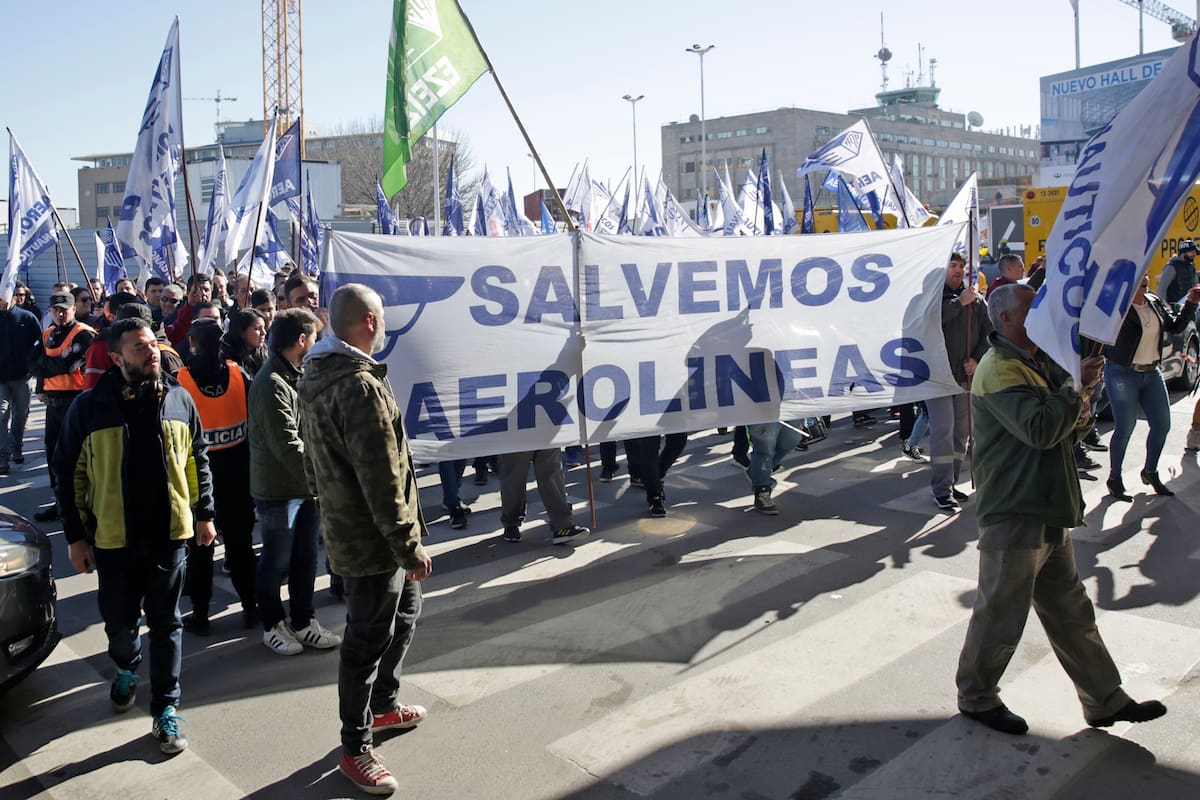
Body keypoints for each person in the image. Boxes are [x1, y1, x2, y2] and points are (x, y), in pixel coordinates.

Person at [955, 283, 1167, 736]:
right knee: (999, 614)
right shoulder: (998, 368)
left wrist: (1081, 394)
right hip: (1016, 507)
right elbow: (1042, 429)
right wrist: (1077, 391)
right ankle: (976, 696)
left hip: (1046, 504)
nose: (1044, 316)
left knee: (1072, 612)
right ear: (1007, 318)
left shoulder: (1034, 361)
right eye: (1033, 309)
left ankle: (1104, 700)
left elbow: (1071, 428)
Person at [54, 316, 216, 754]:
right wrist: (76, 537)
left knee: (166, 622)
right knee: (120, 624)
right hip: (113, 539)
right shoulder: (89, 407)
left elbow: (197, 459)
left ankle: (165, 707)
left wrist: (204, 514)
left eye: (153, 344)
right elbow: (68, 473)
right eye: (140, 347)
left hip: (169, 535)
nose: (152, 352)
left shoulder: (180, 399)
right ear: (116, 356)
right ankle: (125, 665)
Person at [297, 283, 432, 795]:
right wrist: (407, 546)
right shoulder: (358, 386)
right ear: (370, 323)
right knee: (365, 642)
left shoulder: (317, 373)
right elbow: (381, 476)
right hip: (373, 541)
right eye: (383, 317)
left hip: (357, 530)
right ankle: (355, 748)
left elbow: (311, 463)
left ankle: (384, 706)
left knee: (404, 615)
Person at [249, 308, 341, 656]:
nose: (317, 344)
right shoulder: (270, 382)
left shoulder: (298, 373)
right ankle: (273, 625)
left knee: (306, 557)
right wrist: (325, 473)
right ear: (301, 340)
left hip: (305, 486)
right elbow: (287, 444)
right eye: (314, 338)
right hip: (279, 490)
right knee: (276, 559)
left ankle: (303, 621)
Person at [175, 319, 258, 634]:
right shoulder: (239, 375)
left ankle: (200, 615)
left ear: (192, 344)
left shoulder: (179, 382)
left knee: (200, 551)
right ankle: (251, 608)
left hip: (199, 479)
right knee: (241, 547)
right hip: (239, 477)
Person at [1102, 276, 1200, 500]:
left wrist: (1191, 303)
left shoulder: (1153, 301)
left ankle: (1150, 471)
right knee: (1125, 427)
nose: (1145, 284)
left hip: (1151, 372)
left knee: (1162, 425)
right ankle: (1115, 478)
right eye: (1140, 282)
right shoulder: (1116, 308)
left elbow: (1175, 326)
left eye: (1146, 282)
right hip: (1122, 372)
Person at [927, 253, 992, 511]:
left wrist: (977, 359)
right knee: (942, 432)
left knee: (961, 434)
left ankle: (951, 482)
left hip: (965, 378)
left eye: (961, 266)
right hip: (938, 378)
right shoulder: (932, 298)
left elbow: (989, 333)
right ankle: (940, 489)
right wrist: (958, 304)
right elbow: (931, 321)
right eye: (952, 266)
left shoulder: (976, 302)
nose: (957, 271)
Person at [28, 291, 96, 520]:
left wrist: (49, 364)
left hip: (74, 401)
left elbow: (67, 365)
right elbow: (32, 364)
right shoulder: (48, 333)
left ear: (73, 309)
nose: (59, 313)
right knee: (53, 454)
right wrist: (51, 365)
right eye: (55, 309)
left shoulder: (83, 334)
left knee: (75, 456)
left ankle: (81, 505)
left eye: (64, 309)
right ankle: (61, 502)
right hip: (53, 403)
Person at [498, 448, 590, 544]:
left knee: (553, 475)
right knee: (514, 477)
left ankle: (562, 526)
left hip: (546, 436)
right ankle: (511, 522)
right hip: (516, 437)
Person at [0, 289, 42, 474]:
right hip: (0, 379)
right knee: (1, 413)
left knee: (20, 414)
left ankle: (16, 446)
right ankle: (3, 455)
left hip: (22, 376)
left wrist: (32, 366)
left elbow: (40, 345)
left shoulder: (27, 318)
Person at [221, 308, 269, 377]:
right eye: (257, 329)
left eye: (264, 328)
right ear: (241, 332)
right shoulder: (226, 359)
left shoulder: (263, 353)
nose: (264, 333)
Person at [1156, 239, 1197, 305]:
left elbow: (1195, 285)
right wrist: (1165, 307)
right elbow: (1162, 290)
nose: (1194, 254)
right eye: (1191, 251)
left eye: (1195, 252)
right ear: (1183, 252)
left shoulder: (1191, 265)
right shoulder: (1171, 267)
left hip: (1189, 305)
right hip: (1175, 306)